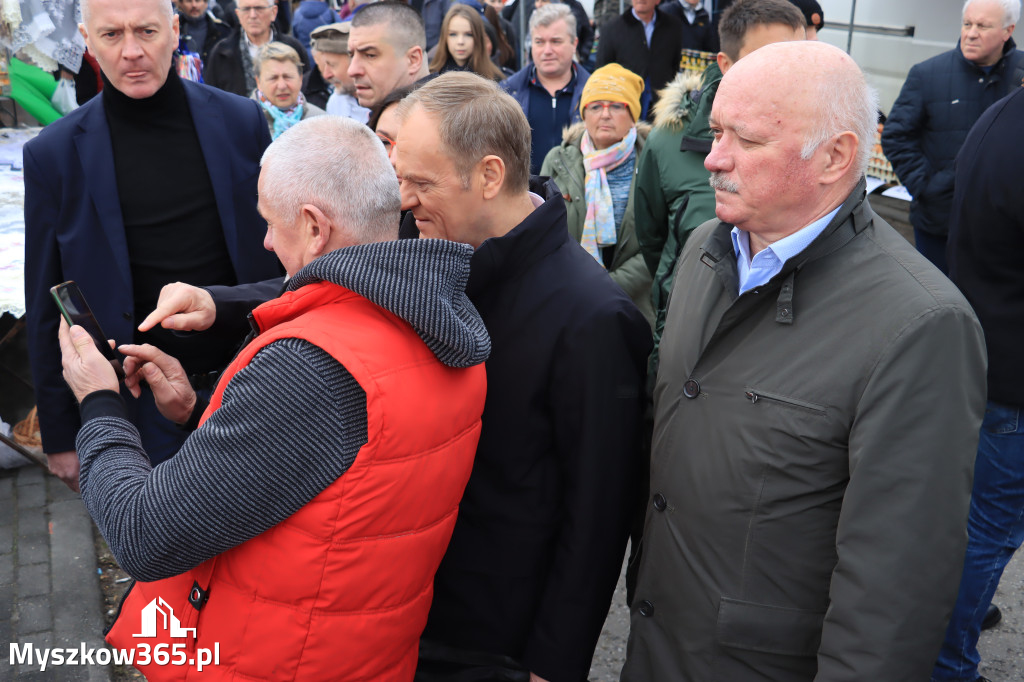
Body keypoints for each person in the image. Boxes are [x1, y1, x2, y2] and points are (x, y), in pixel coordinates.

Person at [141, 71, 651, 682]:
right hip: (395, 610)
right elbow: (346, 275)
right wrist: (220, 307)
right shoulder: (438, 232)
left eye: (418, 181)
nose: (401, 200)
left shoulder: (591, 315)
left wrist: (553, 661)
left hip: (490, 636)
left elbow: (597, 516)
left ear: (489, 176)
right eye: (397, 177)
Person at [60, 116, 490, 681]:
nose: (264, 241)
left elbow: (144, 535)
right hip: (362, 653)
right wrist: (201, 410)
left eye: (269, 222)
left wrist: (99, 403)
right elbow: (333, 480)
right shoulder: (441, 319)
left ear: (314, 228)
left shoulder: (314, 365)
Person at [621, 41, 987, 682]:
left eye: (749, 140)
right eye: (715, 131)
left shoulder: (921, 325)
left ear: (837, 156)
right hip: (658, 646)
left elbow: (893, 592)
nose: (714, 158)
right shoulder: (709, 248)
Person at [23, 0, 282, 491]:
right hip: (141, 397)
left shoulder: (240, 120)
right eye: (112, 36)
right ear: (86, 40)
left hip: (250, 371)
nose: (132, 51)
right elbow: (45, 302)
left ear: (175, 29)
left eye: (146, 31)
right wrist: (60, 433)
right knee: (168, 552)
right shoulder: (53, 155)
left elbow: (278, 246)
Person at [634, 0, 804, 370]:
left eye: (796, 60)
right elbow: (654, 239)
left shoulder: (814, 146)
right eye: (766, 60)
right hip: (688, 344)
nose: (786, 76)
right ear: (725, 65)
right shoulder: (668, 143)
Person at [932, 86, 1024, 682]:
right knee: (986, 532)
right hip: (1013, 379)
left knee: (971, 524)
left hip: (990, 358)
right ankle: (946, 662)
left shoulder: (1003, 112)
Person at [881, 0, 1023, 274]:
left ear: (1008, 30)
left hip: (1007, 230)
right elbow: (897, 135)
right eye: (967, 23)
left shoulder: (1022, 76)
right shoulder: (927, 74)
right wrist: (927, 187)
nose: (971, 33)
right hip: (939, 226)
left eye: (983, 26)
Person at [541, 64, 653, 325]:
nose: (605, 114)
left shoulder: (653, 159)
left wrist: (606, 287)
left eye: (616, 106)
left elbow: (661, 243)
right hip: (568, 303)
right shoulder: (558, 160)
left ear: (633, 114)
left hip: (637, 305)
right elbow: (543, 234)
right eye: (595, 106)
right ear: (583, 114)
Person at [500, 3, 590, 174]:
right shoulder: (507, 94)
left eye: (556, 41)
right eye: (539, 42)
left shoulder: (594, 95)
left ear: (574, 43)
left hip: (577, 196)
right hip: (526, 196)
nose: (547, 50)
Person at [595, 0, 684, 118]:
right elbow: (602, 72)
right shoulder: (611, 29)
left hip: (662, 109)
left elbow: (675, 65)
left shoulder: (673, 27)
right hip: (624, 108)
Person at [203, 0, 308, 98]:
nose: (253, 15)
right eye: (246, 9)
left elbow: (306, 90)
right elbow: (212, 97)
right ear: (238, 14)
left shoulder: (293, 48)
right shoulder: (221, 53)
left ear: (273, 12)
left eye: (259, 8)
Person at [347, 1, 431, 109]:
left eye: (370, 55)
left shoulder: (442, 120)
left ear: (413, 59)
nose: (352, 71)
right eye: (351, 55)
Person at [253, 42, 326, 139]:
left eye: (288, 77)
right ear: (258, 82)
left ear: (300, 78)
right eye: (273, 78)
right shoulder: (244, 122)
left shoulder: (321, 121)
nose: (282, 86)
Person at [306, 22, 371, 122]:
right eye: (325, 65)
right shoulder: (336, 101)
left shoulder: (398, 103)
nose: (326, 75)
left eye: (332, 65)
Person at [429, 4, 505, 80]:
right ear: (445, 37)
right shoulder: (431, 75)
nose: (460, 41)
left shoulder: (495, 78)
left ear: (478, 37)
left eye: (468, 34)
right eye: (453, 34)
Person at [176, 0, 231, 66]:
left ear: (206, 3)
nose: (194, 5)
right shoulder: (174, 30)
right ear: (181, 4)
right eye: (189, 1)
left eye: (198, 1)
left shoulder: (222, 31)